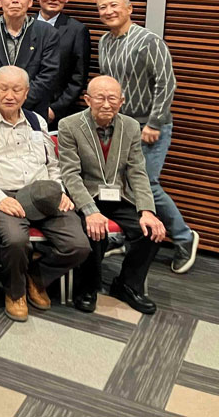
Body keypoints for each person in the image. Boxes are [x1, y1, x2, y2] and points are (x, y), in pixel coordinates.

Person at [0, 66, 89, 322]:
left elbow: (53, 164)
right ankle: (15, 291)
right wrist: (1, 199)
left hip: (42, 193)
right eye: (3, 88)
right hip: (1, 195)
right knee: (16, 240)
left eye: (16, 89)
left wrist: (59, 190)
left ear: (26, 92)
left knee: (78, 245)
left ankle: (37, 275)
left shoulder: (37, 121)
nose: (9, 95)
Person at [97, 0, 198, 273]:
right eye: (102, 7)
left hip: (148, 126)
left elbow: (167, 83)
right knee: (121, 185)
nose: (108, 11)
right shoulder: (105, 41)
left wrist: (154, 122)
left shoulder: (149, 41)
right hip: (120, 126)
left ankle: (184, 238)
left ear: (130, 9)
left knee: (147, 185)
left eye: (114, 5)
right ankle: (128, 236)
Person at [58, 76, 166, 314]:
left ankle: (127, 285)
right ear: (88, 100)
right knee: (93, 229)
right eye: (100, 98)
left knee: (151, 231)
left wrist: (147, 211)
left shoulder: (131, 126)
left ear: (122, 101)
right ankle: (87, 288)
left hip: (119, 197)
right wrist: (90, 211)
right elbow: (70, 175)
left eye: (112, 98)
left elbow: (137, 172)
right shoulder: (69, 125)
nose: (106, 104)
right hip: (86, 196)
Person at [36, 0, 90, 124]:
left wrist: (56, 109)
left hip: (58, 113)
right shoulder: (25, 24)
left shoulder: (77, 30)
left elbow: (79, 78)